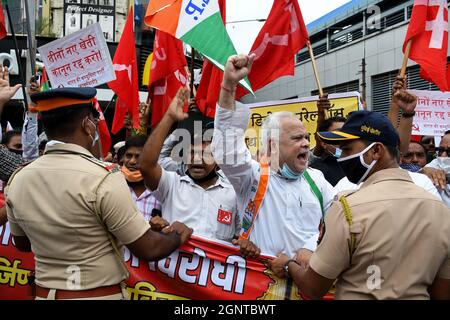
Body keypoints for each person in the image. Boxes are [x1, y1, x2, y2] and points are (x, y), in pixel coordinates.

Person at [5, 88, 193, 300]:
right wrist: (177, 234)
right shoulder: (103, 177)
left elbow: (22, 244)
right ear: (87, 124)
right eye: (95, 119)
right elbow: (148, 248)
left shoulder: (19, 178)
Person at [276, 110, 450, 300]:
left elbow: (313, 287)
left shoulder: (347, 208)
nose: (341, 157)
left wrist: (287, 265)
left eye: (348, 149)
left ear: (376, 151)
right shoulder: (441, 211)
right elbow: (442, 292)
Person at [211, 54, 336, 266]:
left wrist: (311, 247)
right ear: (272, 145)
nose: (306, 143)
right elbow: (226, 149)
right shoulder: (252, 176)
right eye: (297, 138)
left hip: (306, 286)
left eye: (306, 137)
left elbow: (338, 221)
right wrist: (229, 86)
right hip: (258, 288)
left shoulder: (317, 180)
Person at [140, 88, 258, 257]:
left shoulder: (234, 194)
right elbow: (145, 165)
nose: (197, 159)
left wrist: (245, 244)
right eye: (192, 153)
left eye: (206, 155)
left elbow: (240, 237)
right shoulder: (171, 184)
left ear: (218, 160)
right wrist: (169, 117)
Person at [121, 135, 161, 222]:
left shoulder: (162, 192)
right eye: (129, 155)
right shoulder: (115, 187)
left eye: (138, 156)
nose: (132, 161)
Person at [310, 112, 347, 186]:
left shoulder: (359, 162)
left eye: (346, 133)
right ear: (324, 143)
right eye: (338, 134)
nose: (344, 138)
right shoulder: (316, 172)